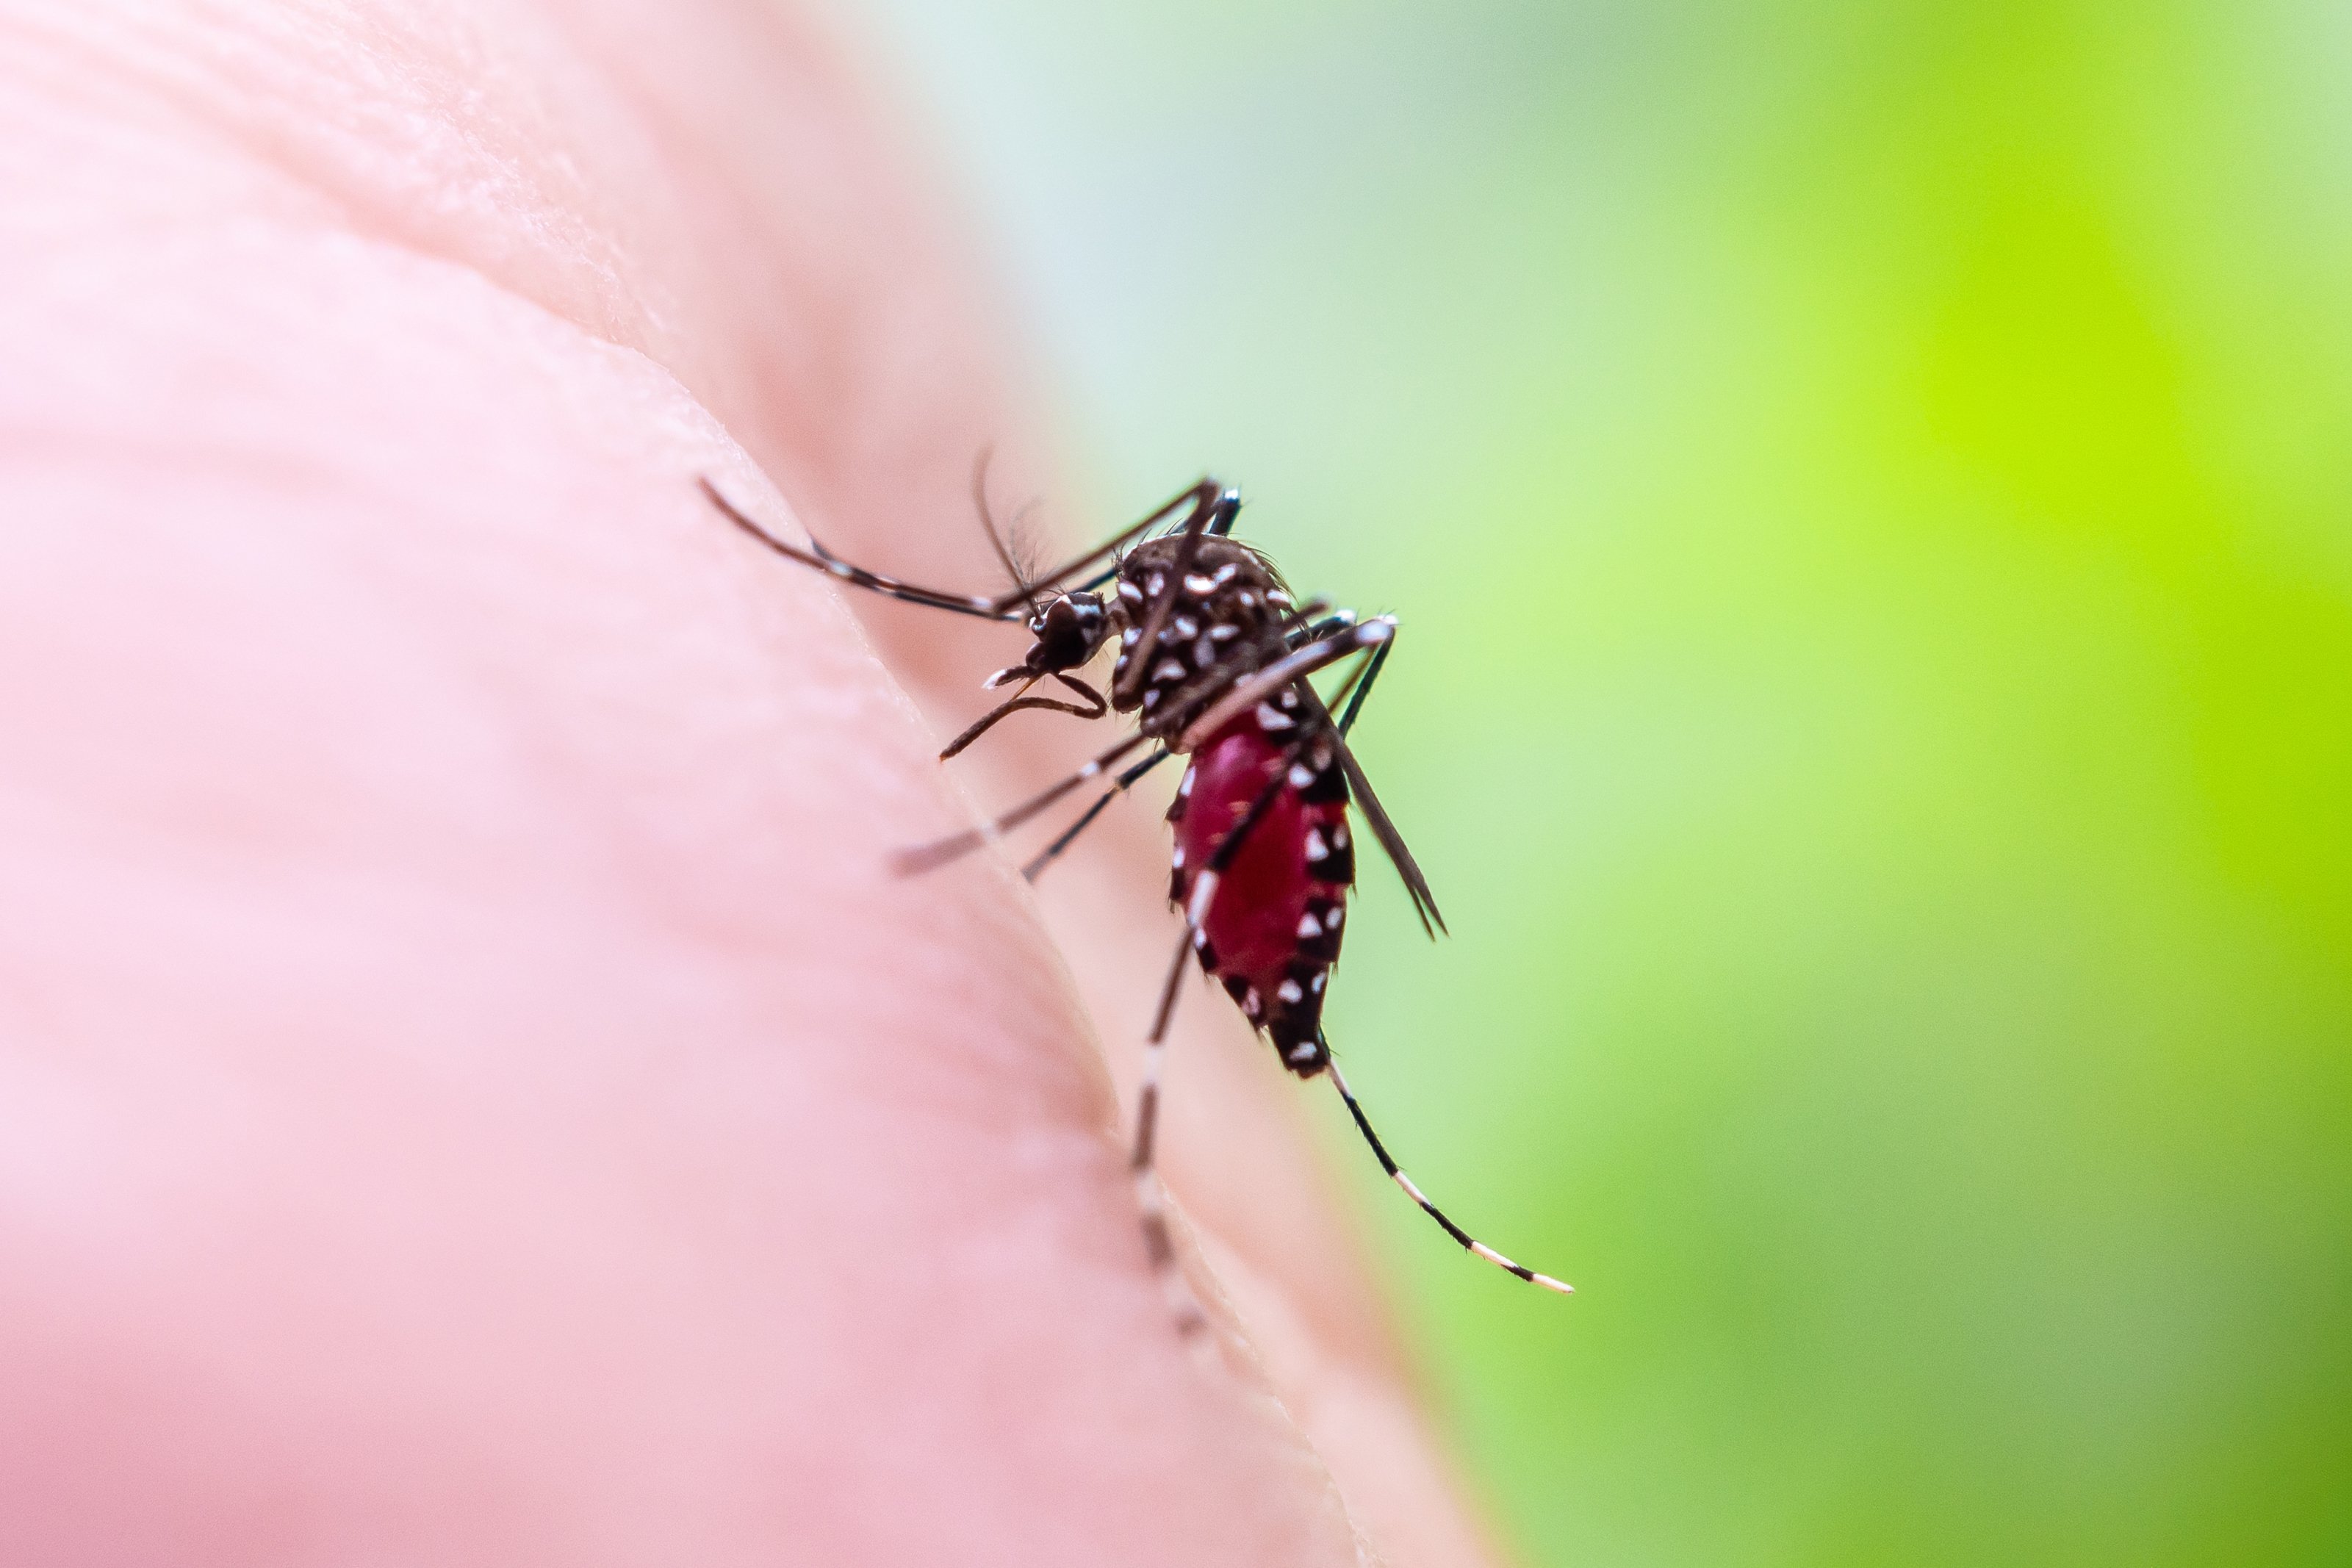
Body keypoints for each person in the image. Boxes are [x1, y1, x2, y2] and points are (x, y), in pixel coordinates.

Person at [0, 2, 1503, 1562]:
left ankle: (1193, 1003)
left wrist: (1121, 760)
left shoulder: (1195, 644)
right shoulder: (1153, 600)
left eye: (1058, 633)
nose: (1053, 656)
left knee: (1279, 666)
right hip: (1239, 748)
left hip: (1264, 780)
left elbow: (1301, 650)